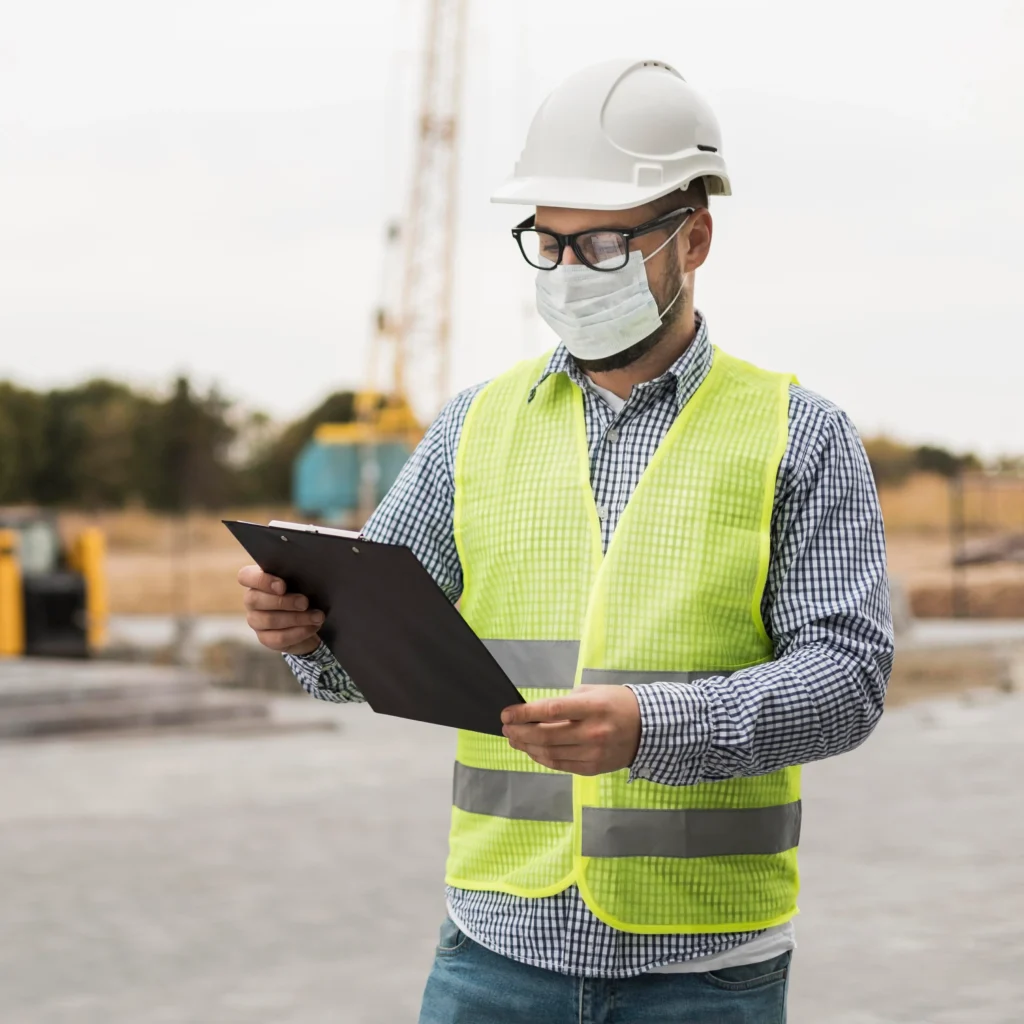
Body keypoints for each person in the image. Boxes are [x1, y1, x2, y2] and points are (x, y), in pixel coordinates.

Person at [238, 58, 893, 1024]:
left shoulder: (799, 434)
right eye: (547, 245)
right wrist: (307, 634)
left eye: (604, 247)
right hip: (492, 956)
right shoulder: (473, 427)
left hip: (704, 972)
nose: (569, 273)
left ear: (694, 238)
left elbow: (848, 679)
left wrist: (652, 727)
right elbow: (365, 653)